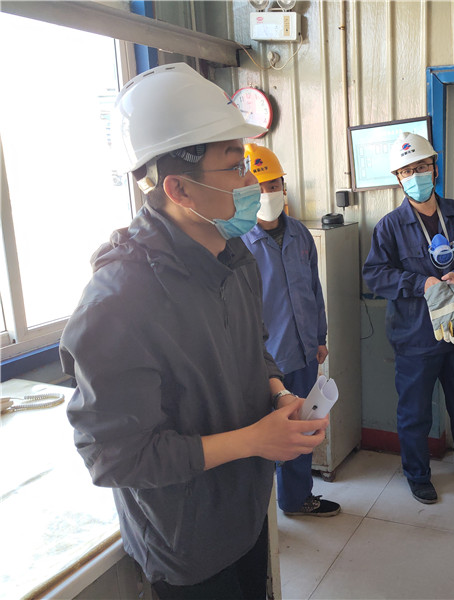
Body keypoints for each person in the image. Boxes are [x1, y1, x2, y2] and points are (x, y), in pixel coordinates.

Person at [60, 63, 328, 599]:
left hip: (245, 510)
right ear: (179, 188)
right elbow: (116, 456)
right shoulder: (118, 301)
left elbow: (254, 348)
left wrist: (278, 392)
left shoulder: (235, 258)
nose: (252, 183)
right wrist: (253, 440)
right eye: (235, 167)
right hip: (186, 544)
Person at [362, 132, 454, 505]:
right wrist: (421, 282)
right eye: (407, 170)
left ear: (435, 168)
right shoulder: (390, 226)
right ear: (398, 178)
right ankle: (417, 475)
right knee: (414, 410)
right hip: (415, 336)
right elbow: (375, 275)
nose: (416, 175)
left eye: (422, 166)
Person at [241, 144, 340, 518]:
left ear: (284, 186)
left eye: (273, 185)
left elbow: (314, 289)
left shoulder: (300, 234)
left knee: (303, 427)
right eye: (259, 187)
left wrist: (320, 338)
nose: (268, 193)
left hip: (303, 352)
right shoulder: (239, 243)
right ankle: (259, 513)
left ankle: (296, 499)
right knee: (264, 436)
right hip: (263, 360)